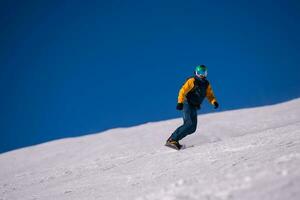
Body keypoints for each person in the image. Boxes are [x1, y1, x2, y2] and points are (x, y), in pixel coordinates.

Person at [166, 65, 219, 150]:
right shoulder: (192, 80)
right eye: (200, 73)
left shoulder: (206, 84)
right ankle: (172, 139)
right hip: (187, 103)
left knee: (192, 128)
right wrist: (180, 102)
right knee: (188, 124)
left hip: (194, 106)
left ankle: (175, 141)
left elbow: (209, 94)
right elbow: (182, 91)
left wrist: (214, 101)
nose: (202, 75)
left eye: (204, 73)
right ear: (196, 73)